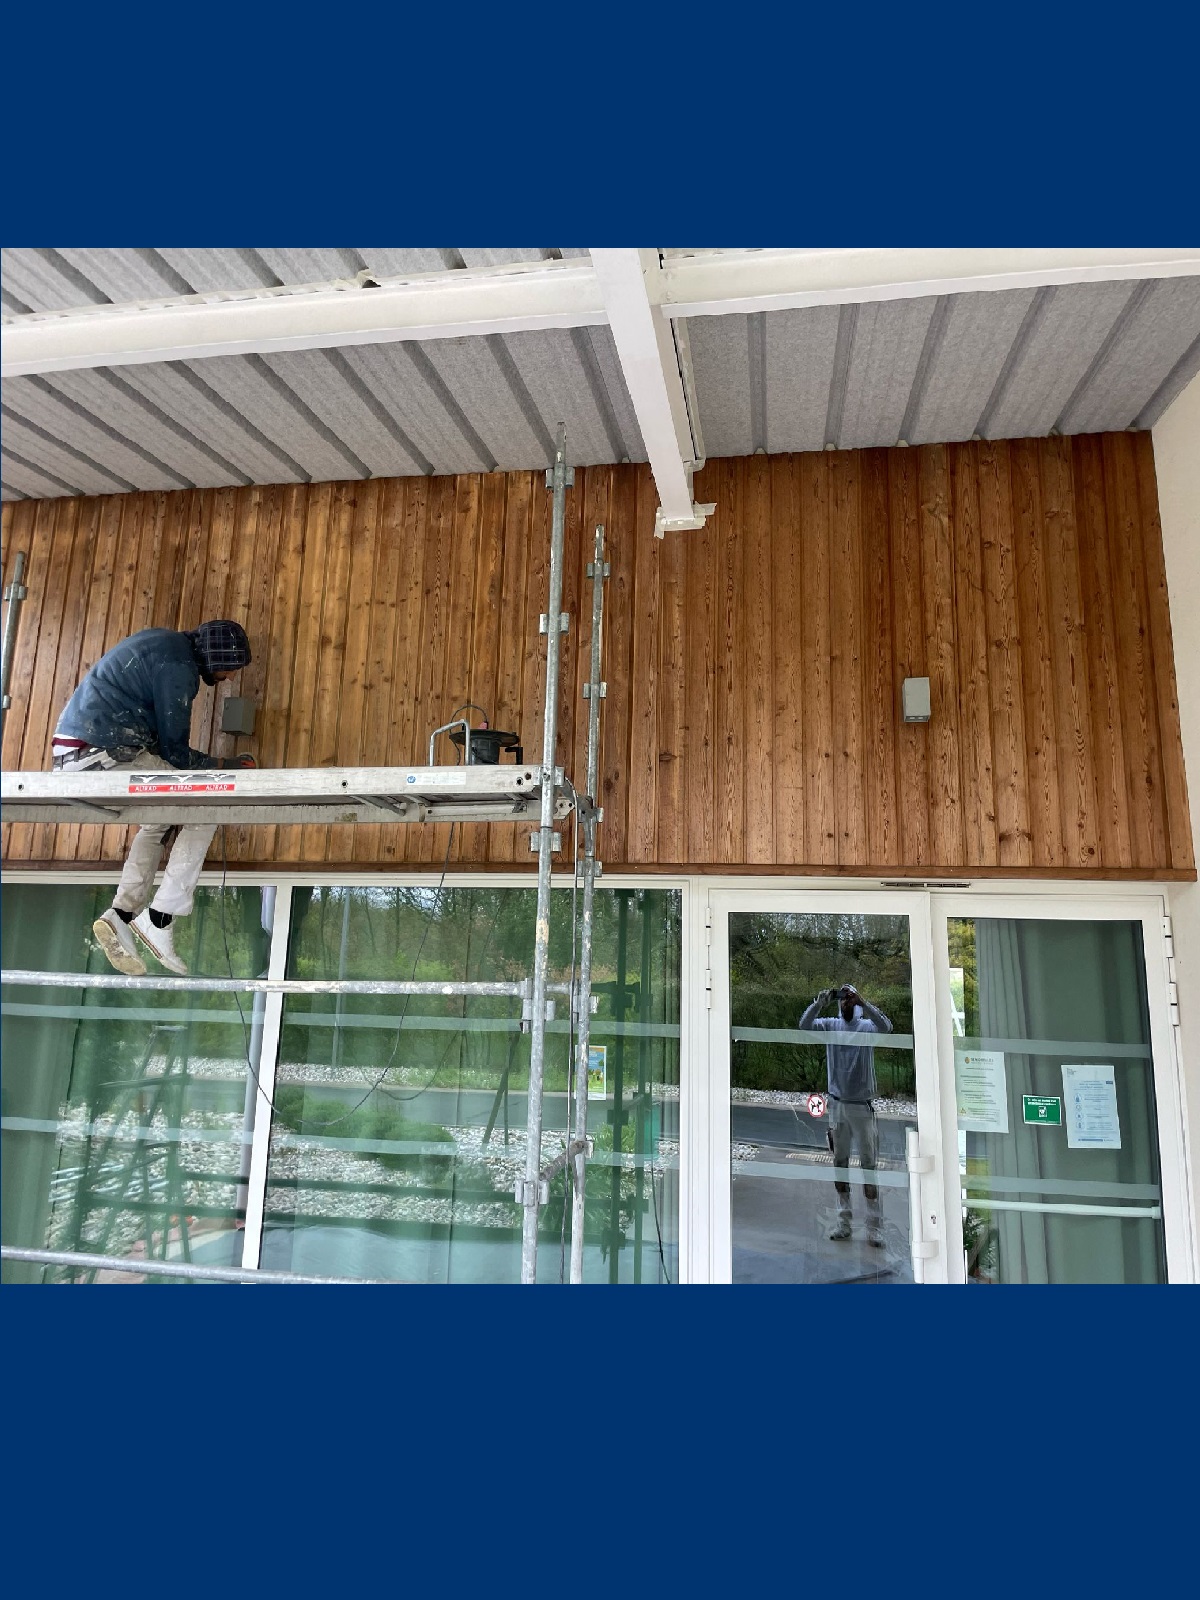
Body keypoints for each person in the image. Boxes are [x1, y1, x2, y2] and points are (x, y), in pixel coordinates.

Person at [51, 621, 255, 978]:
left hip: (77, 754)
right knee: (210, 803)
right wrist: (225, 767)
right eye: (231, 668)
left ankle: (122, 914)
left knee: (159, 817)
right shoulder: (179, 666)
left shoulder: (163, 645)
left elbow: (163, 751)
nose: (230, 677)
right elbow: (175, 753)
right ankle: (160, 918)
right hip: (105, 751)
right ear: (216, 656)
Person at [799, 983, 893, 1247]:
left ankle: (874, 1228)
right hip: (838, 1105)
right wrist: (819, 1003)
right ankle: (844, 1222)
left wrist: (863, 1002)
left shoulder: (867, 1028)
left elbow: (887, 1027)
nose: (846, 1002)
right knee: (840, 1165)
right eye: (842, 998)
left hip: (862, 1107)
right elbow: (804, 1025)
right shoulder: (831, 1025)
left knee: (869, 1167)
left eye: (849, 997)